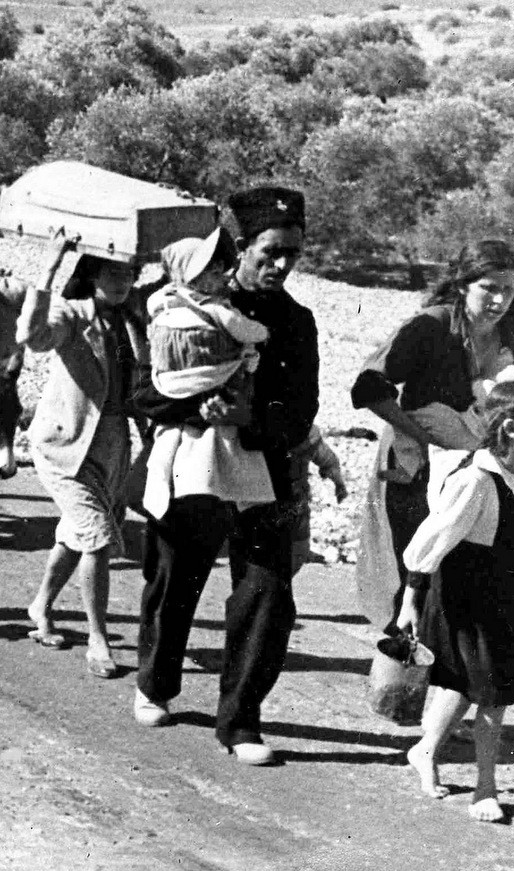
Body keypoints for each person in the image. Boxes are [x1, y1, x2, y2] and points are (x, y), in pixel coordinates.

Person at [130, 186, 320, 767]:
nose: (281, 265)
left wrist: (250, 418)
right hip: (192, 469)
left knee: (267, 592)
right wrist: (199, 410)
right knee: (175, 578)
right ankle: (155, 684)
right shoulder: (179, 302)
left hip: (268, 476)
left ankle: (239, 722)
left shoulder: (295, 321)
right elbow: (144, 391)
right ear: (240, 247)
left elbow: (301, 410)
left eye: (292, 254)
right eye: (270, 252)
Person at [352, 240, 514, 628]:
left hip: (488, 466)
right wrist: (422, 437)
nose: (499, 300)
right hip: (418, 457)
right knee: (414, 563)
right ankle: (399, 668)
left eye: (507, 289)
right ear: (462, 285)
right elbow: (369, 388)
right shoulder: (433, 325)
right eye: (488, 288)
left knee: (468, 566)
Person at [397, 379, 514, 824]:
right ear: (511, 428)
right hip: (468, 592)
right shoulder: (475, 479)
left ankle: (423, 750)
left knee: (473, 684)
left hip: (509, 588)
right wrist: (409, 603)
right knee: (491, 694)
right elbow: (429, 543)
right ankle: (485, 788)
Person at [19, 238, 148, 679]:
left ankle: (41, 606)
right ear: (92, 275)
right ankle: (99, 638)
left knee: (76, 534)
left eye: (129, 273)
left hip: (112, 443)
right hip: (64, 444)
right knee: (97, 538)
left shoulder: (132, 318)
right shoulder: (72, 316)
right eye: (112, 273)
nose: (121, 282)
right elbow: (31, 337)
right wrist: (49, 267)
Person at [138, 228, 276, 522]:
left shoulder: (160, 302)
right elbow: (245, 330)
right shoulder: (214, 308)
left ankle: (158, 493)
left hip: (169, 385)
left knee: (166, 448)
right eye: (213, 272)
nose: (222, 276)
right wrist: (263, 332)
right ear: (195, 276)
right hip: (212, 375)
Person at [292, 424, 349, 566]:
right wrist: (339, 484)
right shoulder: (301, 427)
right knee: (297, 549)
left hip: (252, 499)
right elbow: (328, 459)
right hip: (293, 499)